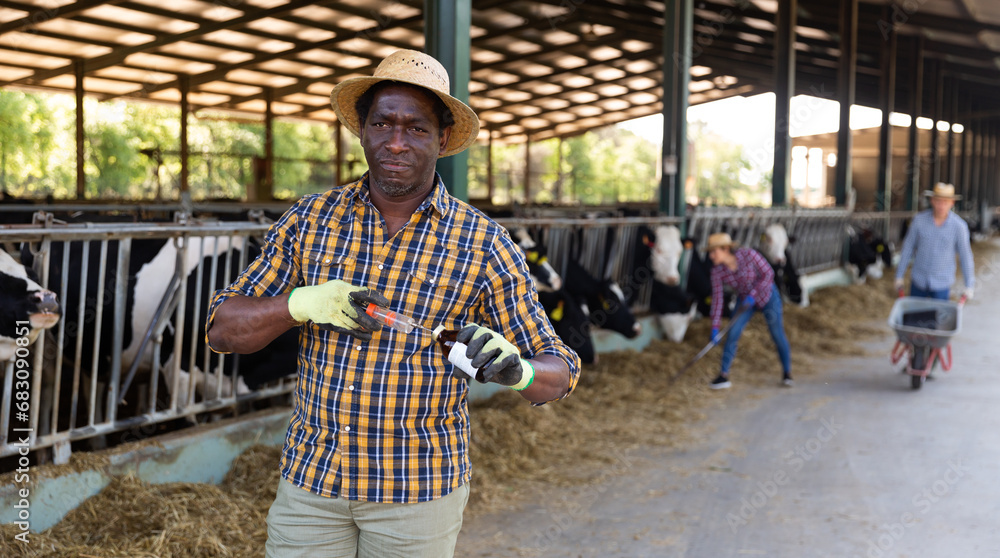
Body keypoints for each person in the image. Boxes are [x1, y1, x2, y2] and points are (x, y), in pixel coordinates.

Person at [205, 49, 581, 558]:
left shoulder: (485, 243)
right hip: (313, 487)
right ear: (361, 130)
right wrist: (300, 302)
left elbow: (560, 373)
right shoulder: (309, 221)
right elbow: (223, 331)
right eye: (382, 123)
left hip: (418, 497)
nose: (396, 142)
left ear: (443, 139)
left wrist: (519, 372)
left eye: (417, 128)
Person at [705, 232, 792, 389]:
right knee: (732, 333)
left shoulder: (749, 255)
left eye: (714, 251)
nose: (711, 256)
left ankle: (787, 373)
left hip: (768, 297)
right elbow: (718, 299)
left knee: (776, 333)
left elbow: (768, 274)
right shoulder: (717, 272)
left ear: (725, 249)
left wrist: (753, 294)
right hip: (745, 302)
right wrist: (715, 326)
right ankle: (723, 376)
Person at [894, 182, 975, 301]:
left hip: (942, 284)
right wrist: (899, 276)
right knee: (915, 317)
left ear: (952, 203)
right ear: (932, 200)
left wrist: (969, 285)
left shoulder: (959, 226)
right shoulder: (919, 221)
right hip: (918, 281)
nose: (941, 205)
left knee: (938, 318)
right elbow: (908, 247)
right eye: (938, 201)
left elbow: (965, 255)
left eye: (945, 202)